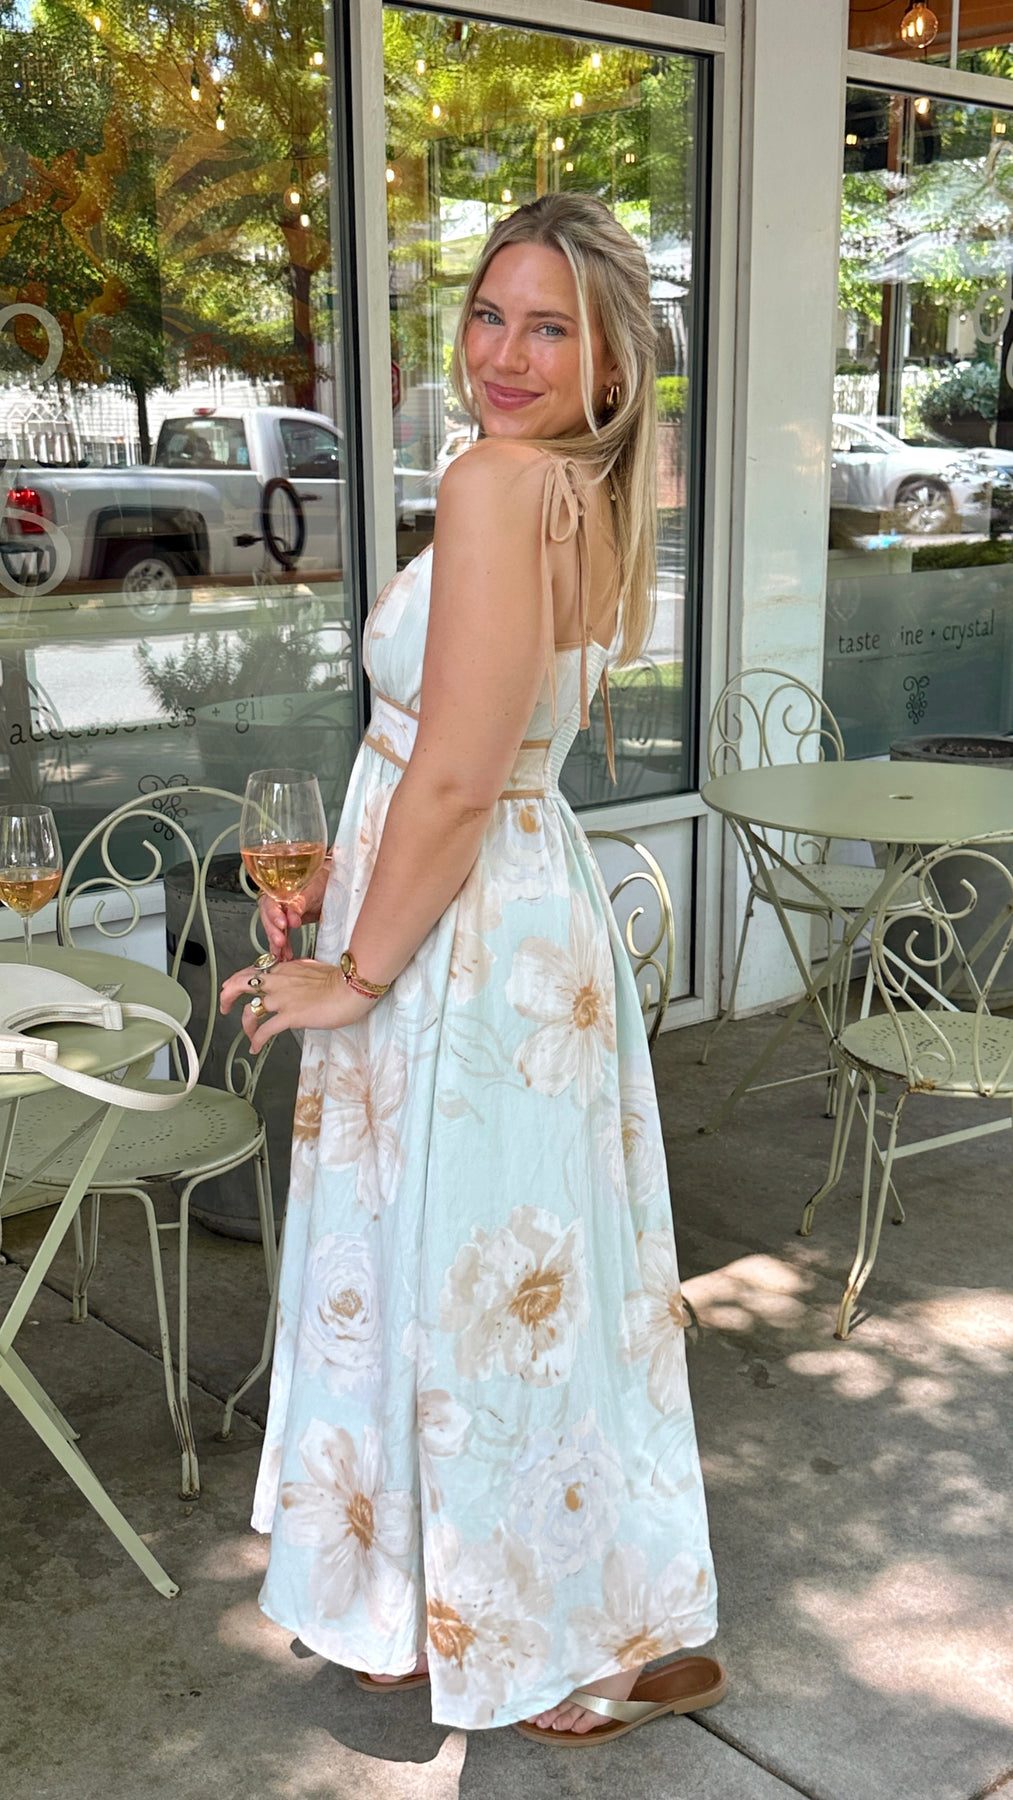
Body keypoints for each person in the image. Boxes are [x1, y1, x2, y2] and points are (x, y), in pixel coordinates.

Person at [220, 193, 721, 1745]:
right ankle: (466, 1606)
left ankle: (543, 1637)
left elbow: (450, 776)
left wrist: (359, 972)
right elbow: (459, 763)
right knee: (507, 1288)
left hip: (460, 943)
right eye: (490, 315)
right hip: (506, 912)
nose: (504, 354)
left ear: (611, 361)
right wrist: (345, 882)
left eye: (550, 327)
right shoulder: (580, 491)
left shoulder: (499, 483)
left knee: (460, 1284)